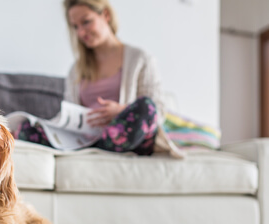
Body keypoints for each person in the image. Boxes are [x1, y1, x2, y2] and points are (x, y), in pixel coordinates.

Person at [16, 0, 183, 158]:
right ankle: (94, 146)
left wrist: (121, 111)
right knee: (26, 130)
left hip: (126, 134)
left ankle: (102, 145)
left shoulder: (140, 59)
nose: (81, 32)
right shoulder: (76, 70)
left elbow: (158, 111)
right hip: (86, 137)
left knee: (146, 106)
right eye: (75, 27)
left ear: (106, 15)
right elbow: (70, 113)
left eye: (86, 22)